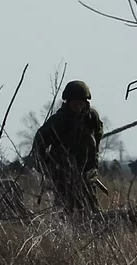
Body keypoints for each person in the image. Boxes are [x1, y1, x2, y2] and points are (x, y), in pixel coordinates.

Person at [33, 80, 106, 215]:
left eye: (80, 102)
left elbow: (97, 138)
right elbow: (39, 142)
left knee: (92, 209)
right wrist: (45, 167)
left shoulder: (91, 118)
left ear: (85, 102)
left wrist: (93, 165)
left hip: (87, 172)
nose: (78, 106)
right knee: (64, 209)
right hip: (62, 173)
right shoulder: (58, 120)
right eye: (74, 103)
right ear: (68, 102)